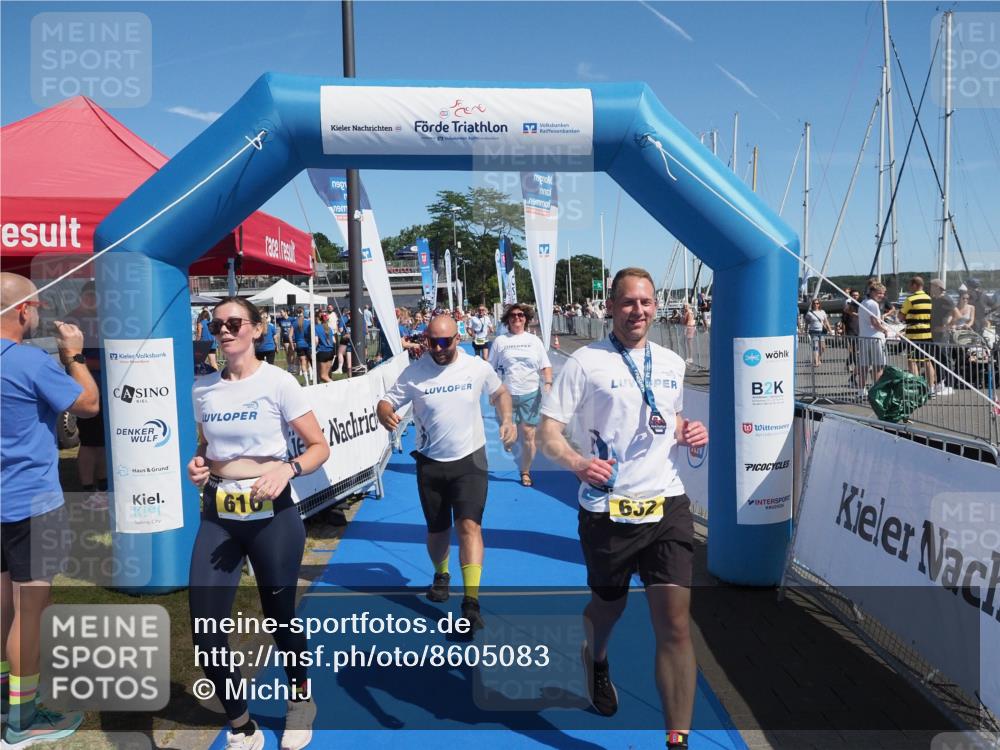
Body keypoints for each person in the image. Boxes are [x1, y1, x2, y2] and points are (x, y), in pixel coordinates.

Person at [538, 268, 708, 750]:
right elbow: (548, 432)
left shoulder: (671, 362)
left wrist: (687, 431)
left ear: (656, 307)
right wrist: (577, 463)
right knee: (608, 608)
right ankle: (595, 657)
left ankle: (677, 740)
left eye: (646, 302)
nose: (638, 310)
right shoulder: (585, 362)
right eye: (629, 302)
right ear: (611, 307)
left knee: (675, 623)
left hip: (667, 503)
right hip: (607, 509)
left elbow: (670, 417)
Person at [188, 297, 329, 750]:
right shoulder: (203, 389)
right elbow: (206, 446)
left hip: (273, 515)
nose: (225, 331)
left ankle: (300, 700)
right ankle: (241, 725)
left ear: (257, 328)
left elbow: (319, 447)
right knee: (205, 627)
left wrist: (288, 469)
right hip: (220, 515)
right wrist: (199, 464)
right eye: (217, 325)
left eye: (234, 323)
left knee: (280, 617)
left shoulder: (279, 382)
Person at [1, 272, 100, 748]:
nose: (40, 314)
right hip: (31, 502)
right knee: (30, 611)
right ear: (24, 311)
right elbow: (89, 404)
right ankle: (22, 721)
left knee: (4, 606)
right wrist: (74, 355)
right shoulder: (30, 361)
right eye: (38, 306)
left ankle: (6, 700)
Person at [376, 314, 515, 628]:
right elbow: (386, 402)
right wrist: (384, 413)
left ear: (457, 338)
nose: (438, 349)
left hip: (470, 459)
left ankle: (471, 601)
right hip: (431, 462)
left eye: (444, 342)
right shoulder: (415, 372)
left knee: (469, 526)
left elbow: (500, 393)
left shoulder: (476, 367)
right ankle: (441, 574)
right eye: (432, 342)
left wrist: (507, 420)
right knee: (437, 531)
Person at [489, 304, 552, 487]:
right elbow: (490, 368)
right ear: (507, 319)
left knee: (528, 435)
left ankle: (525, 471)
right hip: (506, 395)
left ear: (526, 318)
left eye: (521, 315)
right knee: (510, 435)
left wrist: (548, 382)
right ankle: (509, 438)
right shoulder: (500, 341)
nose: (517, 318)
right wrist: (492, 391)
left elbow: (545, 365)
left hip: (530, 394)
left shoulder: (534, 341)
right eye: (513, 315)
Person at [63, 280, 108, 511]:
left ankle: (104, 487)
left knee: (103, 442)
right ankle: (89, 491)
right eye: (92, 297)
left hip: (107, 390)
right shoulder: (73, 322)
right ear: (84, 297)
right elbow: (70, 358)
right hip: (87, 391)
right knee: (90, 443)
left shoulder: (103, 320)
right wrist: (109, 363)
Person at [900, 276, 936, 393]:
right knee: (927, 361)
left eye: (910, 285)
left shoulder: (910, 299)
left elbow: (901, 316)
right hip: (927, 333)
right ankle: (931, 388)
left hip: (914, 334)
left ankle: (916, 388)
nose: (909, 287)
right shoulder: (929, 299)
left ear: (915, 285)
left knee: (912, 361)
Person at [928, 279, 960, 396]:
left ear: (937, 287)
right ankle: (940, 383)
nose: (930, 288)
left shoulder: (946, 299)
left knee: (945, 359)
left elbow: (958, 315)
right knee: (936, 358)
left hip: (942, 334)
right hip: (933, 333)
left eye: (932, 286)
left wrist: (946, 327)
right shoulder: (933, 299)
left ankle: (949, 385)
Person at [858, 282, 891, 394]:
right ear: (872, 292)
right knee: (878, 366)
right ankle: (877, 391)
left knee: (864, 366)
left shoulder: (863, 302)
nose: (882, 295)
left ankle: (861, 390)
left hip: (864, 337)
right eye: (879, 293)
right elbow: (875, 322)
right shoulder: (873, 304)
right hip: (875, 338)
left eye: (883, 293)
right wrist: (884, 330)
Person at [804, 299, 833, 366]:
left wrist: (830, 330)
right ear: (812, 304)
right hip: (813, 331)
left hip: (822, 331)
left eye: (817, 303)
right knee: (815, 347)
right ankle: (816, 362)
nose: (816, 305)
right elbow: (806, 323)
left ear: (819, 304)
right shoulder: (809, 313)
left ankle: (818, 358)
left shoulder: (822, 312)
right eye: (814, 303)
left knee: (823, 347)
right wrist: (805, 331)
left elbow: (826, 321)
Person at [842, 289, 861, 384]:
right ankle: (857, 367)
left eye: (856, 295)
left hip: (860, 331)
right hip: (851, 331)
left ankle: (848, 363)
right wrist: (843, 332)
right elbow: (843, 321)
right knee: (854, 351)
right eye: (853, 295)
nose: (855, 297)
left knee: (856, 350)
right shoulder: (848, 306)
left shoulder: (861, 305)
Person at [291, 308, 312, 383]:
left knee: (303, 362)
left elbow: (290, 336)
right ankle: (312, 377)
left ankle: (307, 382)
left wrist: (292, 345)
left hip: (299, 345)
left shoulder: (294, 323)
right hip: (308, 344)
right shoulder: (308, 322)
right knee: (309, 361)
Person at [315, 313, 336, 383]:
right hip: (330, 352)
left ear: (319, 319)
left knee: (323, 376)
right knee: (326, 375)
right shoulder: (329, 329)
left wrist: (314, 350)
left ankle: (335, 385)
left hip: (322, 352)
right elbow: (334, 341)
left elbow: (316, 341)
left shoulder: (316, 327)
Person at [276, 309, 296, 374]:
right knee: (287, 353)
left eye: (281, 312)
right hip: (285, 338)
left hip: (292, 338)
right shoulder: (280, 320)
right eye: (280, 312)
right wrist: (280, 338)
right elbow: (281, 330)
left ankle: (293, 366)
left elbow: (295, 328)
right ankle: (289, 367)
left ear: (286, 312)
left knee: (292, 353)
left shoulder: (292, 319)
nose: (280, 313)